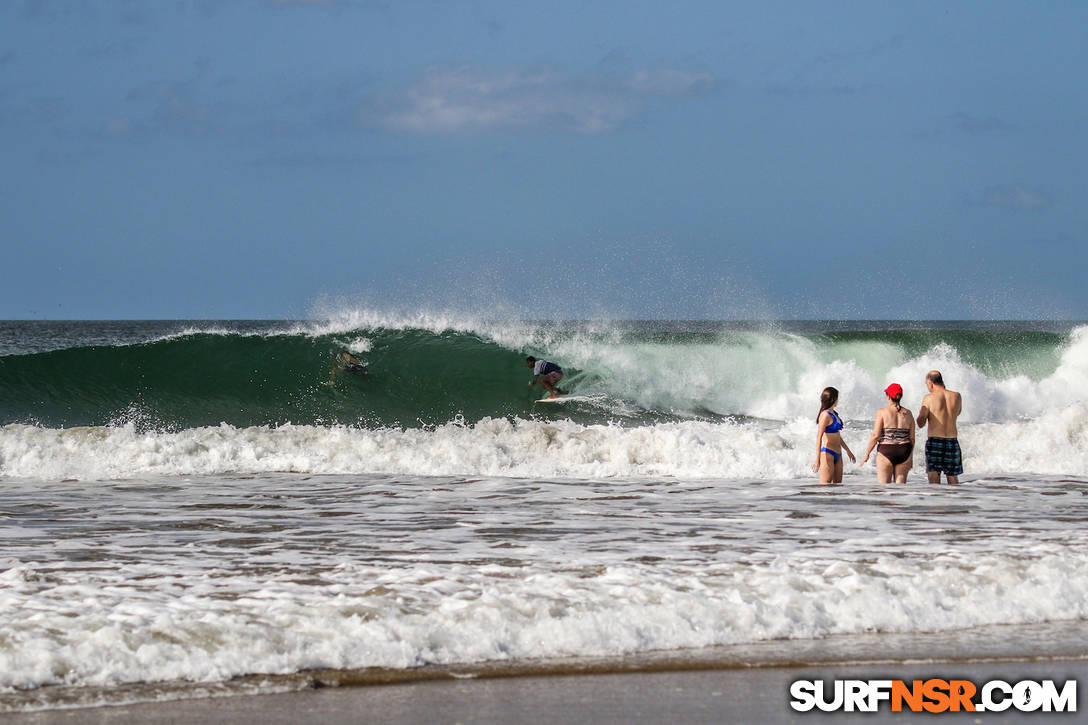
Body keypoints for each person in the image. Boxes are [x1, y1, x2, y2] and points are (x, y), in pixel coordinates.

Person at [862, 383, 915, 483]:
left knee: (884, 489)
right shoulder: (908, 413)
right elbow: (912, 438)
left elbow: (875, 435)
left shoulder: (882, 412)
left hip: (886, 450)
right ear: (900, 396)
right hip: (904, 451)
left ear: (889, 396)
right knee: (900, 491)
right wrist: (910, 457)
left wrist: (867, 454)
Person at [916, 370, 963, 484]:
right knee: (953, 479)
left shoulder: (929, 398)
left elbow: (921, 423)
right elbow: (957, 413)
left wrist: (921, 415)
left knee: (934, 479)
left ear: (930, 383)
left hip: (935, 441)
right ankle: (955, 501)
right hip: (952, 441)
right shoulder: (957, 396)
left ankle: (937, 502)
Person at [812, 386, 855, 484]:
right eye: (837, 398)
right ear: (833, 399)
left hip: (838, 454)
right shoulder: (825, 415)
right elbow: (819, 437)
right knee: (825, 486)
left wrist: (848, 451)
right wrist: (817, 460)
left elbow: (837, 436)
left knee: (838, 486)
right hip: (828, 453)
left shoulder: (834, 413)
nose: (838, 400)